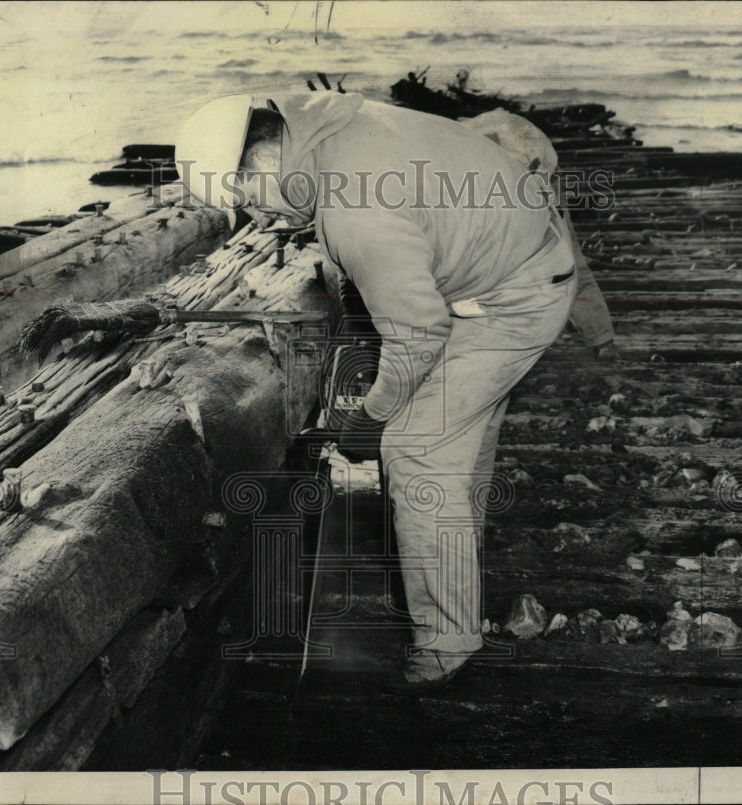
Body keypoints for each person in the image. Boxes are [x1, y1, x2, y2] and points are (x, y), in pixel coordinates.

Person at [176, 92, 578, 693]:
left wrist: (370, 420)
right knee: (457, 436)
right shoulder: (326, 117)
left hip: (513, 300)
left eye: (248, 201)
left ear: (260, 161)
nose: (258, 220)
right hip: (519, 253)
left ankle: (448, 646)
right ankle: (456, 561)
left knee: (416, 450)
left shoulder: (354, 207)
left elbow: (418, 333)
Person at [460, 108, 619, 360]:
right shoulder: (469, 152)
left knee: (571, 266)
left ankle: (601, 339)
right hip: (511, 179)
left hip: (534, 178)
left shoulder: (523, 159)